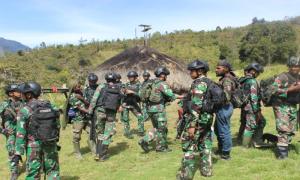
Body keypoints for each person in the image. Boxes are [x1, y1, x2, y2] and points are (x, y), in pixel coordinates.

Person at [14, 82, 60, 179]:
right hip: (50, 142)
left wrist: (18, 152)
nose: (22, 96)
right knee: (53, 171)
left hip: (33, 146)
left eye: (23, 94)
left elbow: (20, 133)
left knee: (33, 173)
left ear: (29, 94)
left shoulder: (25, 110)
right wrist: (55, 138)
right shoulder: (50, 106)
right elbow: (57, 124)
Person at [176, 60, 213, 179]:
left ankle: (186, 175)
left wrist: (192, 125)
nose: (190, 73)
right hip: (207, 119)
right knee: (205, 143)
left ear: (200, 71)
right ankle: (207, 171)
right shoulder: (209, 82)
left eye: (192, 71)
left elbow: (196, 106)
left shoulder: (199, 84)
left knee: (189, 144)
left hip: (197, 120)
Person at [138, 66, 178, 153]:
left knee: (156, 127)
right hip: (159, 109)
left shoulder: (151, 82)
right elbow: (170, 94)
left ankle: (144, 140)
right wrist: (178, 97)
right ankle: (161, 147)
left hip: (150, 109)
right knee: (162, 129)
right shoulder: (162, 84)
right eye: (166, 75)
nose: (166, 77)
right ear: (162, 75)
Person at [88, 72, 122, 161]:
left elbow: (94, 100)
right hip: (111, 113)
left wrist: (90, 112)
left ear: (106, 79)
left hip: (100, 112)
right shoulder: (118, 88)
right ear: (115, 79)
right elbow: (120, 101)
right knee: (108, 133)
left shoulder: (101, 86)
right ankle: (103, 155)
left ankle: (98, 153)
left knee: (100, 133)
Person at [272, 57, 300, 159]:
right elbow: (272, 90)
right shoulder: (283, 77)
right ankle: (282, 156)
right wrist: (290, 89)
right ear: (288, 66)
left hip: (293, 105)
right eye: (292, 66)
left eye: (297, 66)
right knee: (283, 129)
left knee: (291, 130)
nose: (294, 68)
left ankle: (283, 146)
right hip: (281, 105)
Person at [239, 63, 267, 148]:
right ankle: (245, 146)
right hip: (251, 108)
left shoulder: (243, 80)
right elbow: (254, 98)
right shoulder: (252, 81)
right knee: (251, 126)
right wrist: (257, 111)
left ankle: (241, 139)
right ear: (253, 71)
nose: (258, 75)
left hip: (245, 107)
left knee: (245, 123)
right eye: (258, 72)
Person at [0, 84, 23, 180]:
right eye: (17, 91)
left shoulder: (24, 103)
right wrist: (3, 130)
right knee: (12, 151)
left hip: (24, 131)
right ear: (11, 93)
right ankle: (14, 172)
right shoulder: (4, 104)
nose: (20, 92)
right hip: (11, 133)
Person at [214, 59, 235, 160]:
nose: (216, 70)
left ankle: (226, 153)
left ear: (226, 69)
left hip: (224, 107)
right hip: (222, 108)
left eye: (218, 68)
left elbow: (226, 96)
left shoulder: (227, 80)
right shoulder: (224, 78)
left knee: (223, 131)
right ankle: (221, 148)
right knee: (218, 130)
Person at [121, 71, 144, 138]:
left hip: (134, 104)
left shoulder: (139, 85)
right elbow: (122, 94)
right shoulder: (126, 84)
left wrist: (132, 92)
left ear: (135, 77)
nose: (130, 78)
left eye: (131, 77)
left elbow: (140, 95)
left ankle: (141, 132)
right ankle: (127, 133)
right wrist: (123, 92)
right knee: (126, 119)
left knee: (140, 117)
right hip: (126, 103)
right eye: (129, 77)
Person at [69, 83, 89, 159]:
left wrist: (81, 98)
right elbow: (80, 108)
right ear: (73, 88)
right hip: (78, 119)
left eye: (80, 86)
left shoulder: (82, 94)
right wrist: (89, 111)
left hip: (86, 118)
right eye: (77, 87)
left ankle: (94, 150)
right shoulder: (72, 97)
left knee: (91, 133)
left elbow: (87, 103)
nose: (80, 88)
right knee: (76, 136)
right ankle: (77, 153)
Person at [83, 73, 98, 154]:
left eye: (94, 81)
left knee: (99, 130)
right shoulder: (86, 89)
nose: (92, 83)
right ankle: (94, 149)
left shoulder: (99, 88)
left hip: (98, 111)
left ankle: (99, 148)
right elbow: (84, 101)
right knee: (90, 131)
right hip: (89, 112)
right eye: (91, 81)